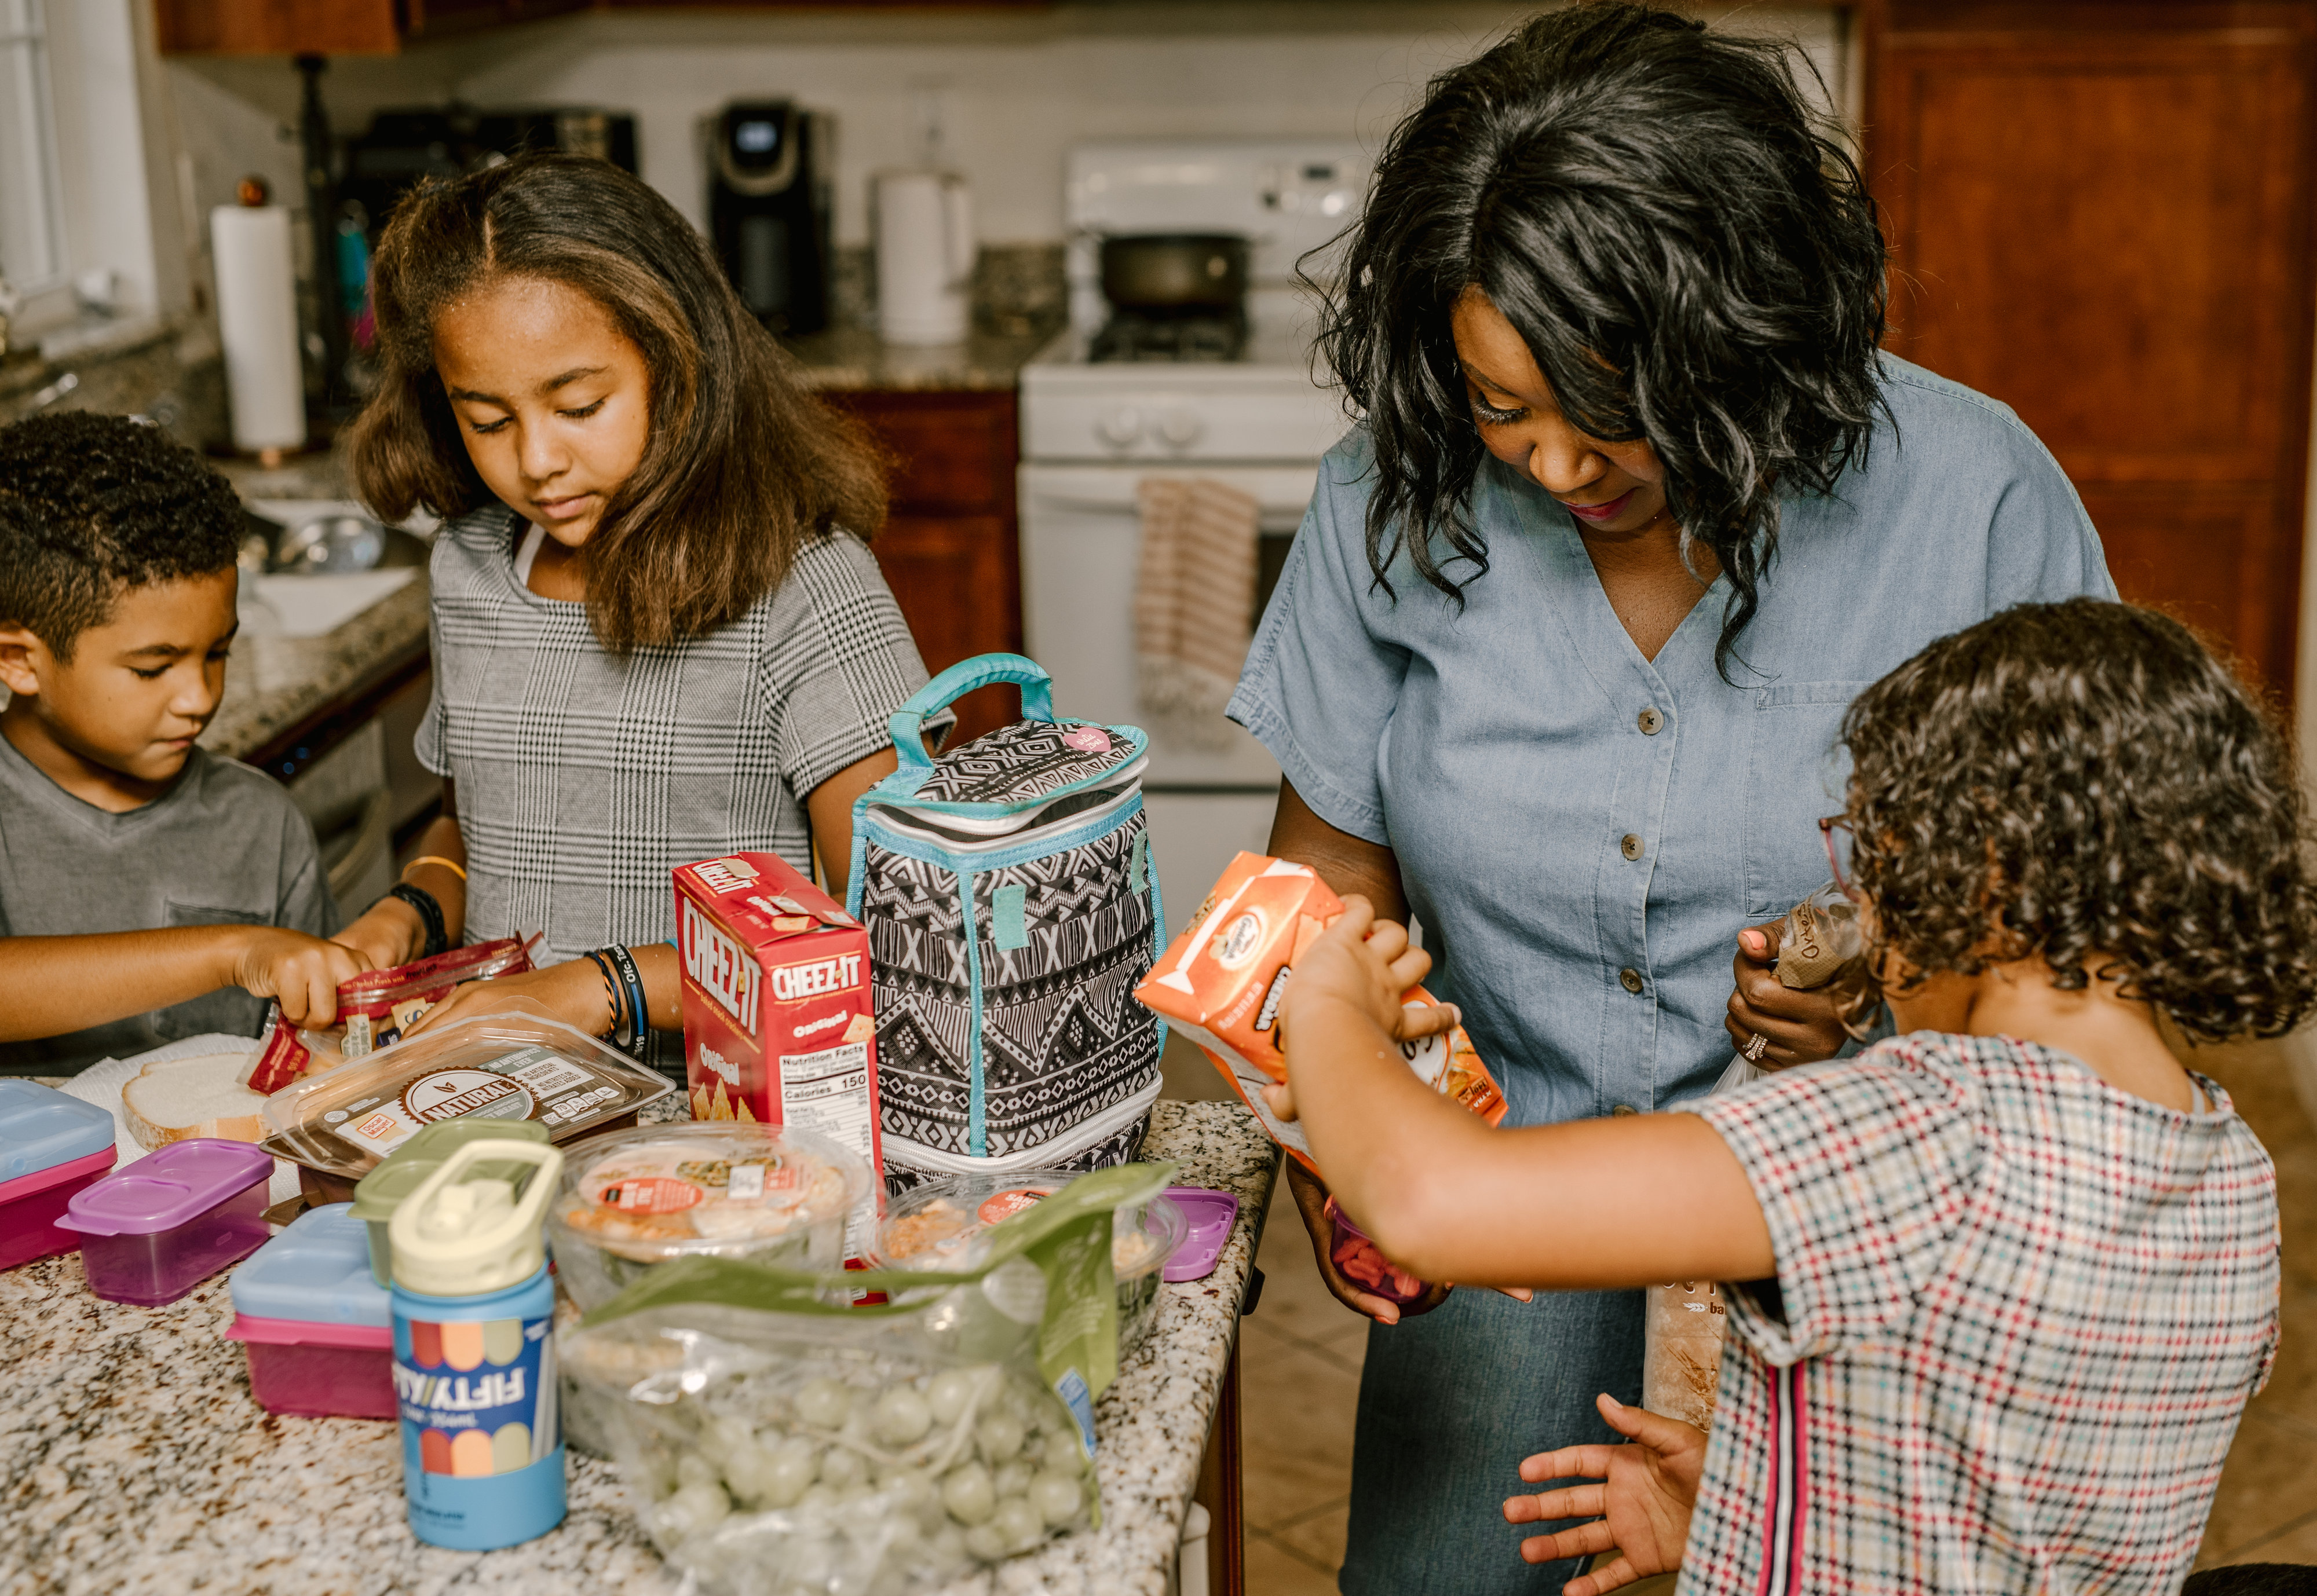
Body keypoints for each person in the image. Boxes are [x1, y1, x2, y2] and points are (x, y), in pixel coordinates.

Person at [1226, 6, 2118, 1588]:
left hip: (1867, 1222)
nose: (1558, 465)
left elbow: (2081, 976)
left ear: (1745, 332)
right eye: (1503, 407)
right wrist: (1337, 1125)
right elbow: (1320, 896)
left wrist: (1872, 1011)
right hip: (1504, 1186)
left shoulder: (1974, 497)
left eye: (1608, 407)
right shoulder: (1392, 492)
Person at [1270, 599, 2305, 1595]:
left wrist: (1324, 1002)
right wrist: (1747, 1501)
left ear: (1982, 873)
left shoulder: (1924, 1126)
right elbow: (2002, 1479)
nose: (1862, 906)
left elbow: (1432, 1209)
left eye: (1872, 855)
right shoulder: (2233, 1175)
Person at [342, 153, 938, 1064]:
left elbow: (896, 936)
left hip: (714, 1114)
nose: (537, 460)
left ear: (677, 359)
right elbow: (479, 820)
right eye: (488, 419)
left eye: (579, 405)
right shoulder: (467, 568)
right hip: (508, 1098)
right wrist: (415, 902)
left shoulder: (805, 583)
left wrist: (599, 988)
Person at [0, 412, 400, 1072]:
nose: (200, 698)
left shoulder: (258, 822)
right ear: (19, 659)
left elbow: (323, 1049)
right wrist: (232, 951)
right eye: (152, 668)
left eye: (217, 652)